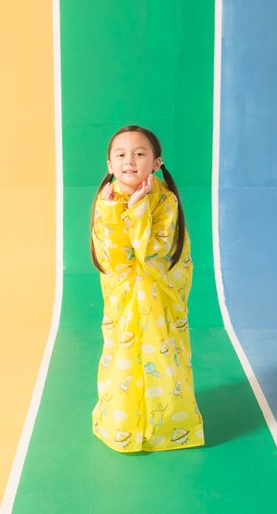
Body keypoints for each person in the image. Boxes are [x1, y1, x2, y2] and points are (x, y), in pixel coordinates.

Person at [89, 124, 205, 453]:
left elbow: (153, 255)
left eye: (140, 154)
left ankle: (170, 426)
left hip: (160, 301)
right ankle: (121, 424)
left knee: (166, 357)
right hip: (124, 303)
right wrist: (116, 211)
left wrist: (139, 207)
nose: (130, 161)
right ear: (110, 164)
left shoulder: (165, 201)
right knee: (121, 358)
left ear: (156, 163)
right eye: (121, 155)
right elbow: (116, 259)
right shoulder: (106, 202)